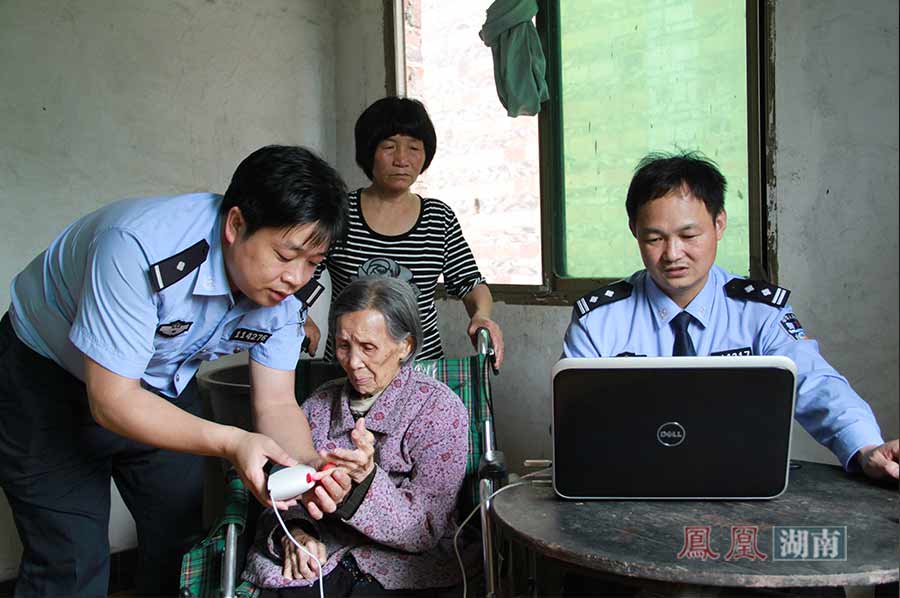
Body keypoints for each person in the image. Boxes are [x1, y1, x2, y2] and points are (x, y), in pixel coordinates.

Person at [0, 145, 354, 597]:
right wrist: (231, 441)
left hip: (159, 381)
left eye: (313, 263)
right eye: (285, 256)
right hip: (45, 381)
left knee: (181, 542)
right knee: (69, 562)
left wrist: (305, 468)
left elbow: (276, 402)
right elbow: (113, 400)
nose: (297, 278)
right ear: (236, 225)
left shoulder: (284, 297)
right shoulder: (136, 248)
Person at [562, 151, 898, 480]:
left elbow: (818, 384)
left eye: (689, 235)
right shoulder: (597, 320)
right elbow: (572, 420)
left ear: (719, 224)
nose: (673, 254)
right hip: (629, 484)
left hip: (737, 486)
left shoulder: (759, 312)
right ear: (635, 230)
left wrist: (866, 448)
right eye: (655, 239)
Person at [243, 277, 469, 596]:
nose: (353, 362)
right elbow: (281, 487)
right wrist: (297, 533)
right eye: (344, 345)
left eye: (368, 347)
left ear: (405, 346)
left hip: (400, 567)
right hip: (321, 559)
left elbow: (425, 529)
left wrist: (365, 482)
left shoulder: (438, 410)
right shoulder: (319, 405)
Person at [303, 96, 505, 368]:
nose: (402, 160)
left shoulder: (438, 217)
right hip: (351, 367)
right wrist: (300, 317)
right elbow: (300, 273)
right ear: (368, 151)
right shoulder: (340, 212)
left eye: (413, 148)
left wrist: (481, 316)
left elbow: (470, 283)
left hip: (422, 370)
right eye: (389, 147)